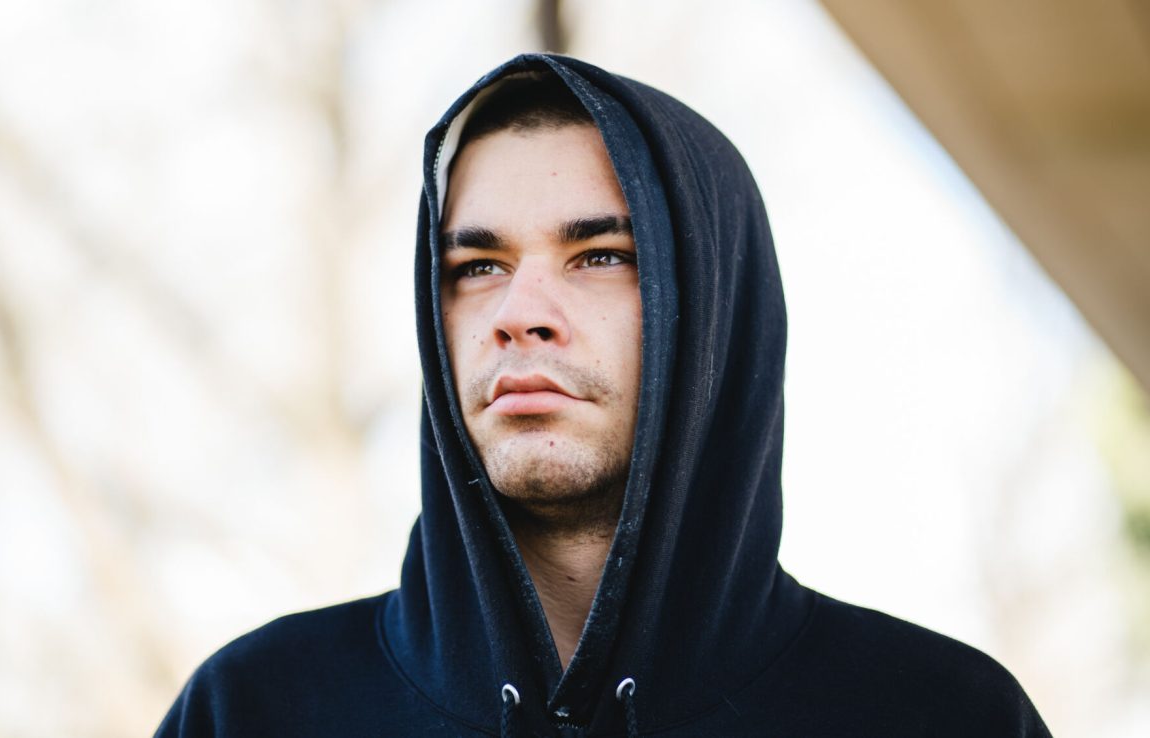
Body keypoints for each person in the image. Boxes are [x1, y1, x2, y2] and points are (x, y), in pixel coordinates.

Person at [155, 54, 1051, 737]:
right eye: (477, 266)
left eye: (599, 256)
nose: (520, 313)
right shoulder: (255, 710)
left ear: (712, 307)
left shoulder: (937, 715)